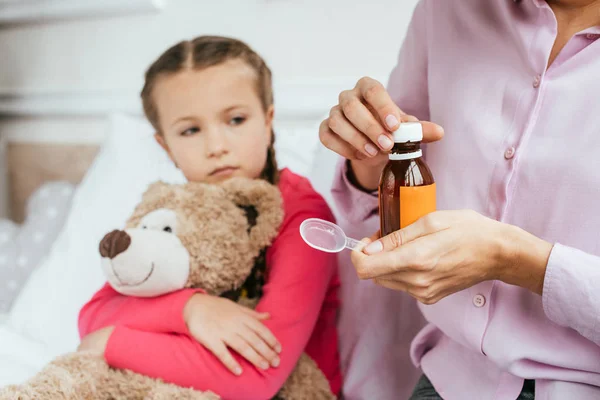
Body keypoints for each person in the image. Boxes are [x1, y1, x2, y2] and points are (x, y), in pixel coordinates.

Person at [319, 0, 600, 399]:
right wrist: (369, 158)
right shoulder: (446, 10)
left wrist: (518, 259)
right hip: (448, 376)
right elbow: (395, 169)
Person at [76, 35, 342, 399]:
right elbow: (94, 313)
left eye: (235, 119)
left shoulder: (304, 218)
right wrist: (188, 309)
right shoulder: (172, 212)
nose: (217, 146)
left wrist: (110, 343)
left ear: (268, 122)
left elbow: (255, 378)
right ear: (166, 146)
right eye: (190, 130)